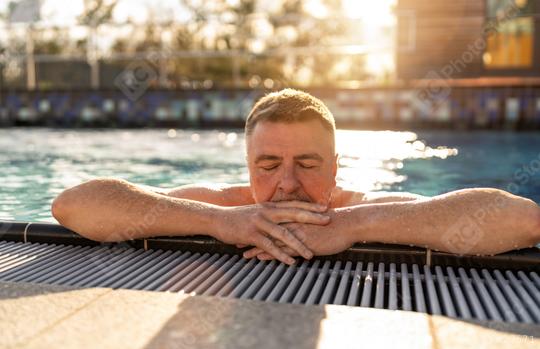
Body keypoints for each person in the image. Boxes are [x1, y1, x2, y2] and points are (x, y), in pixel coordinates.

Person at [51, 89, 540, 265]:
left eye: (307, 164)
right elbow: (73, 206)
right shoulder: (223, 206)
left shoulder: (363, 207)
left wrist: (351, 227)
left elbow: (523, 221)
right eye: (268, 166)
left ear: (335, 167)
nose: (285, 184)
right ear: (248, 168)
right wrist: (219, 223)